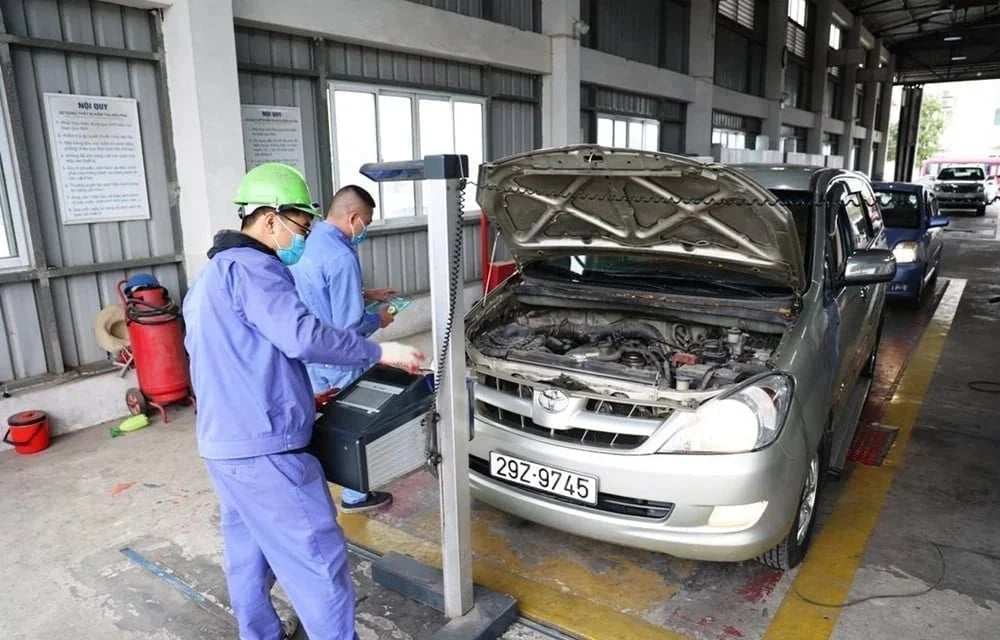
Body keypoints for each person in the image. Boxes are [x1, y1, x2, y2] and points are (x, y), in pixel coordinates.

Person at [182, 163, 424, 640]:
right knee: (317, 560)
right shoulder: (256, 270)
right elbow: (302, 335)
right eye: (300, 226)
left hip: (223, 445)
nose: (304, 237)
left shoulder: (211, 276)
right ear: (269, 219)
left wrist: (297, 394)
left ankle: (262, 634)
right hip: (266, 451)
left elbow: (236, 359)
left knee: (249, 554)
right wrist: (381, 350)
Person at [290, 185, 398, 514]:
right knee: (351, 423)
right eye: (365, 221)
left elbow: (320, 291)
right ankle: (355, 496)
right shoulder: (341, 255)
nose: (363, 229)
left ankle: (313, 490)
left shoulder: (302, 242)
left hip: (306, 352)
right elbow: (348, 327)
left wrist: (367, 293)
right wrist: (378, 319)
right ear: (353, 218)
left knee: (314, 422)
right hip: (338, 359)